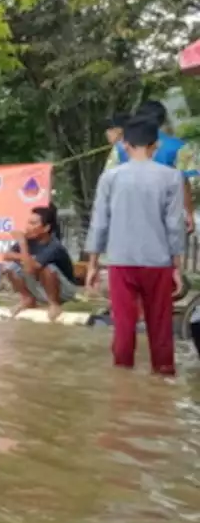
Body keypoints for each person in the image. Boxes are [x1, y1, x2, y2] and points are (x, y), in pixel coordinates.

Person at [86, 115, 186, 376]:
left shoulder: (110, 178)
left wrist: (93, 264)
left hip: (120, 261)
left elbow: (99, 222)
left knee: (123, 325)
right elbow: (174, 225)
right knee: (160, 326)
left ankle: (122, 381)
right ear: (155, 146)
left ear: (125, 145)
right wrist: (177, 266)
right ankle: (163, 375)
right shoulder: (172, 177)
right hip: (158, 262)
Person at [112, 101, 196, 233]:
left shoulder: (121, 147)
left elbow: (110, 181)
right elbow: (183, 183)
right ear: (163, 120)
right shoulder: (179, 147)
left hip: (129, 214)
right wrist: (189, 213)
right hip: (166, 215)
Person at [2, 204, 79, 321]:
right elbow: (7, 256)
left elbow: (31, 269)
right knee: (8, 266)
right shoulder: (30, 239)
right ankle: (28, 299)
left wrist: (22, 244)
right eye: (28, 222)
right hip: (42, 287)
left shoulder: (54, 246)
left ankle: (54, 304)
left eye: (33, 224)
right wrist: (25, 256)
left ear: (46, 228)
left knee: (46, 268)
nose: (28, 227)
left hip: (64, 291)